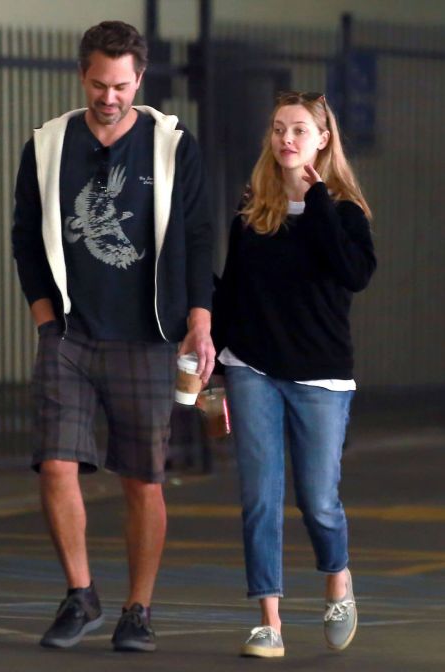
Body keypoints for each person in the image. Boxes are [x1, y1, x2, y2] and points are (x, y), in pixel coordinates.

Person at [12, 20, 215, 653]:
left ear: (140, 79)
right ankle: (81, 594)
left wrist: (200, 320)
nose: (109, 97)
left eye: (121, 86)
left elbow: (199, 237)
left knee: (143, 479)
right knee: (56, 463)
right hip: (70, 336)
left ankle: (138, 609)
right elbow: (25, 239)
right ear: (83, 74)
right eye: (99, 84)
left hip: (149, 337)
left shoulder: (172, 146)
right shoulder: (46, 146)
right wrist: (47, 321)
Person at [213, 91, 376, 658]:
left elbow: (353, 273)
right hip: (251, 366)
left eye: (300, 130)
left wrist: (319, 200)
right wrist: (211, 355)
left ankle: (338, 578)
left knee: (318, 500)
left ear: (323, 139)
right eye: (279, 128)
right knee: (260, 497)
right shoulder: (252, 208)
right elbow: (232, 290)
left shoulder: (345, 212)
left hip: (320, 375)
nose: (286, 139)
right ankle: (269, 621)